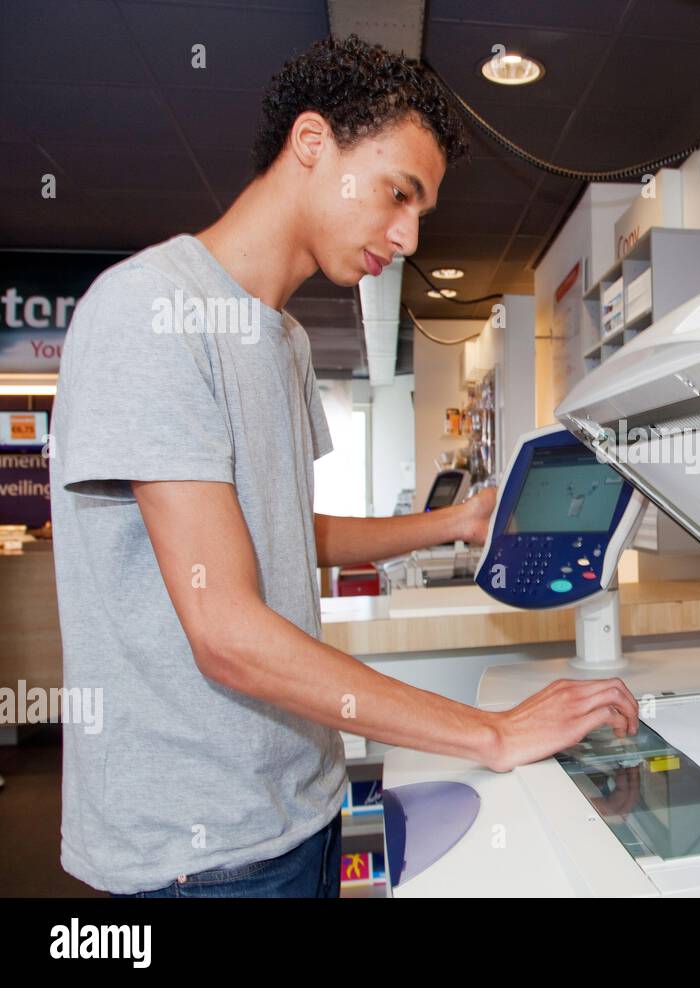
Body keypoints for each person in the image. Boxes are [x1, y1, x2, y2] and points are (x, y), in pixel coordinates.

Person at [49, 36, 638, 898]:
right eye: (400, 193)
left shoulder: (281, 341)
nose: (406, 235)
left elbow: (284, 528)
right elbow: (227, 635)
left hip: (303, 804)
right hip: (201, 855)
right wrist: (491, 732)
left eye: (422, 212)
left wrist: (450, 522)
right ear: (313, 143)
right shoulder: (149, 314)